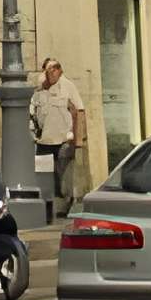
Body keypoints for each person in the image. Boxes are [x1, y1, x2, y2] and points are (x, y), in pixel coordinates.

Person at [34, 58, 88, 212]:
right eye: (48, 69)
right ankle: (48, 206)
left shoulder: (67, 86)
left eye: (55, 68)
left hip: (64, 140)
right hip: (43, 141)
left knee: (63, 175)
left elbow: (79, 111)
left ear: (60, 70)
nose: (52, 72)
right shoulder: (40, 87)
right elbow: (33, 112)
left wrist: (78, 140)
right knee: (44, 175)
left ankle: (64, 206)